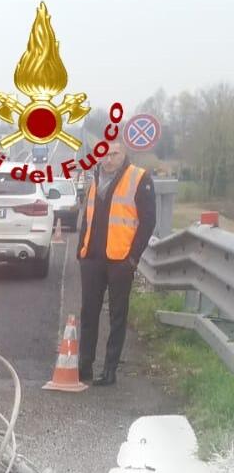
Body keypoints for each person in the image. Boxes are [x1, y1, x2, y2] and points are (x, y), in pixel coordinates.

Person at [77, 140, 156, 386]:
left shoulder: (139, 178)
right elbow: (87, 220)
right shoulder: (95, 179)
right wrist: (81, 252)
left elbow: (148, 222)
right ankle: (84, 365)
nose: (109, 159)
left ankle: (109, 369)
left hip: (120, 260)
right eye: (104, 154)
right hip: (92, 259)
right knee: (88, 313)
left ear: (124, 155)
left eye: (114, 154)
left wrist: (133, 259)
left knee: (117, 316)